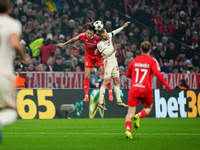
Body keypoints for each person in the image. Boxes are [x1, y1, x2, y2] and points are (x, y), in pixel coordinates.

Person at [125, 41, 172, 139]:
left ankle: (128, 131)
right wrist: (167, 85)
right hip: (146, 89)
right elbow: (158, 74)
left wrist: (134, 79)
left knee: (130, 113)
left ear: (140, 50)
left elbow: (127, 75)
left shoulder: (134, 60)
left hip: (134, 88)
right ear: (150, 50)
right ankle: (138, 115)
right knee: (148, 108)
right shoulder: (152, 61)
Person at [56, 22, 113, 102]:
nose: (88, 35)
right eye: (88, 33)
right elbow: (73, 39)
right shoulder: (83, 35)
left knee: (105, 73)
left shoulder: (98, 37)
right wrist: (64, 44)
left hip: (98, 56)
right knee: (86, 75)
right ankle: (86, 96)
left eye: (90, 34)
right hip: (89, 56)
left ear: (94, 33)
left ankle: (110, 92)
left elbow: (107, 40)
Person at [0, 0, 29, 142]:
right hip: (3, 73)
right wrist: (24, 56)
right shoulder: (12, 24)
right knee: (10, 110)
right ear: (8, 8)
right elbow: (14, 42)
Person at [96, 22, 130, 110]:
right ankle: (100, 102)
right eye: (104, 35)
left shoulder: (109, 35)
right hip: (107, 61)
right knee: (106, 81)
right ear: (100, 36)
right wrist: (113, 50)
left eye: (106, 33)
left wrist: (123, 26)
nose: (106, 35)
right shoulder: (99, 44)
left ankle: (119, 100)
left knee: (117, 80)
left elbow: (115, 31)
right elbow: (105, 53)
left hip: (114, 61)